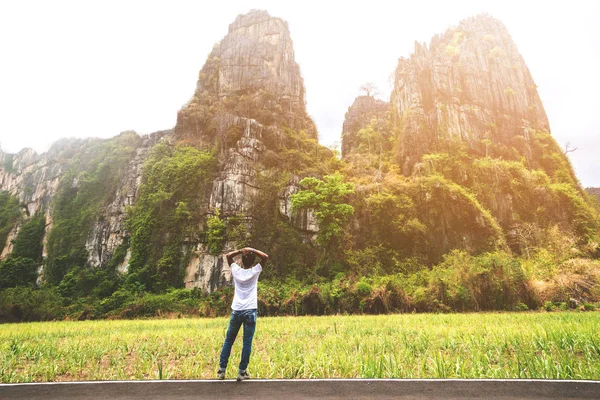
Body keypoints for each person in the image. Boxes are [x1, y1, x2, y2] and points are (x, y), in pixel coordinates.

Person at [217, 246, 269, 381]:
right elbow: (265, 257)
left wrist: (241, 250)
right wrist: (252, 249)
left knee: (229, 340)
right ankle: (242, 372)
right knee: (247, 342)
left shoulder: (236, 270)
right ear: (252, 263)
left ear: (241, 262)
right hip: (250, 310)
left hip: (237, 310)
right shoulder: (255, 271)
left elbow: (228, 256)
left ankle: (221, 371)